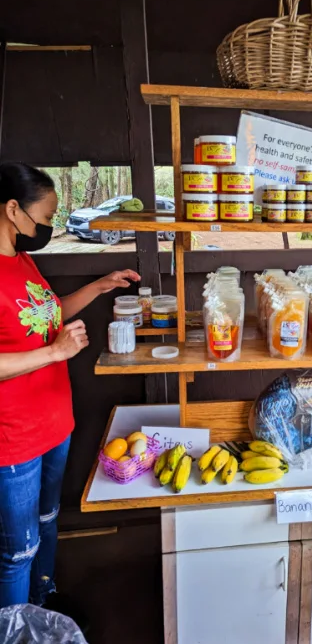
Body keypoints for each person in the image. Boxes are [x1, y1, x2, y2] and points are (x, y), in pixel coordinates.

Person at [0, 163, 140, 610]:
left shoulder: (21, 261)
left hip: (53, 424)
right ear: (12, 210)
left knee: (47, 522)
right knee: (16, 553)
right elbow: (47, 343)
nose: (50, 227)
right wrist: (54, 354)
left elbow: (45, 313)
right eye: (45, 219)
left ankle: (42, 605)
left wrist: (99, 287)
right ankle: (17, 630)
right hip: (13, 440)